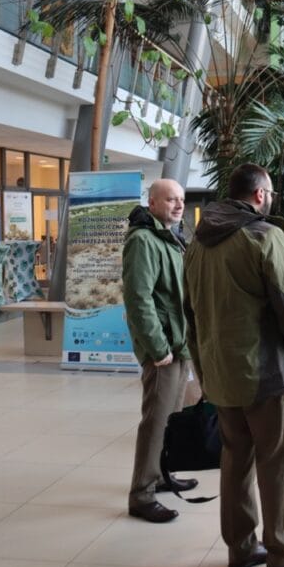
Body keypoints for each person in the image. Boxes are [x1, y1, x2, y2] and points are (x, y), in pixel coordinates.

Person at [183, 163, 284, 567]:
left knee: (235, 459)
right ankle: (283, 553)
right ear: (260, 194)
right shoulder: (264, 236)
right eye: (272, 193)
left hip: (220, 374)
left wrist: (203, 371)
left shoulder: (197, 243)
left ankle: (241, 549)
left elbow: (190, 313)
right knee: (275, 461)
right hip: (264, 374)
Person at [123, 178, 196, 524]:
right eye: (171, 200)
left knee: (172, 418)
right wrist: (157, 347)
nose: (178, 205)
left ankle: (163, 474)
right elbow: (139, 299)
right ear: (152, 203)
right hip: (163, 348)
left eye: (181, 199)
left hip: (179, 345)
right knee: (156, 421)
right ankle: (142, 494)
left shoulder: (172, 238)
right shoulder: (143, 241)